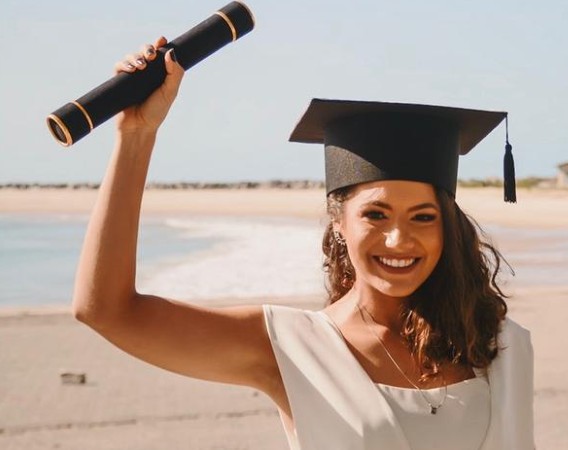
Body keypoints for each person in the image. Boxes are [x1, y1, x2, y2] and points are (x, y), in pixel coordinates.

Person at [73, 37, 534, 450]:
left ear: (446, 227)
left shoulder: (495, 343)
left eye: (424, 217)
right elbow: (107, 311)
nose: (399, 239)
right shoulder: (294, 348)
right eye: (375, 214)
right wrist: (136, 137)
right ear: (339, 223)